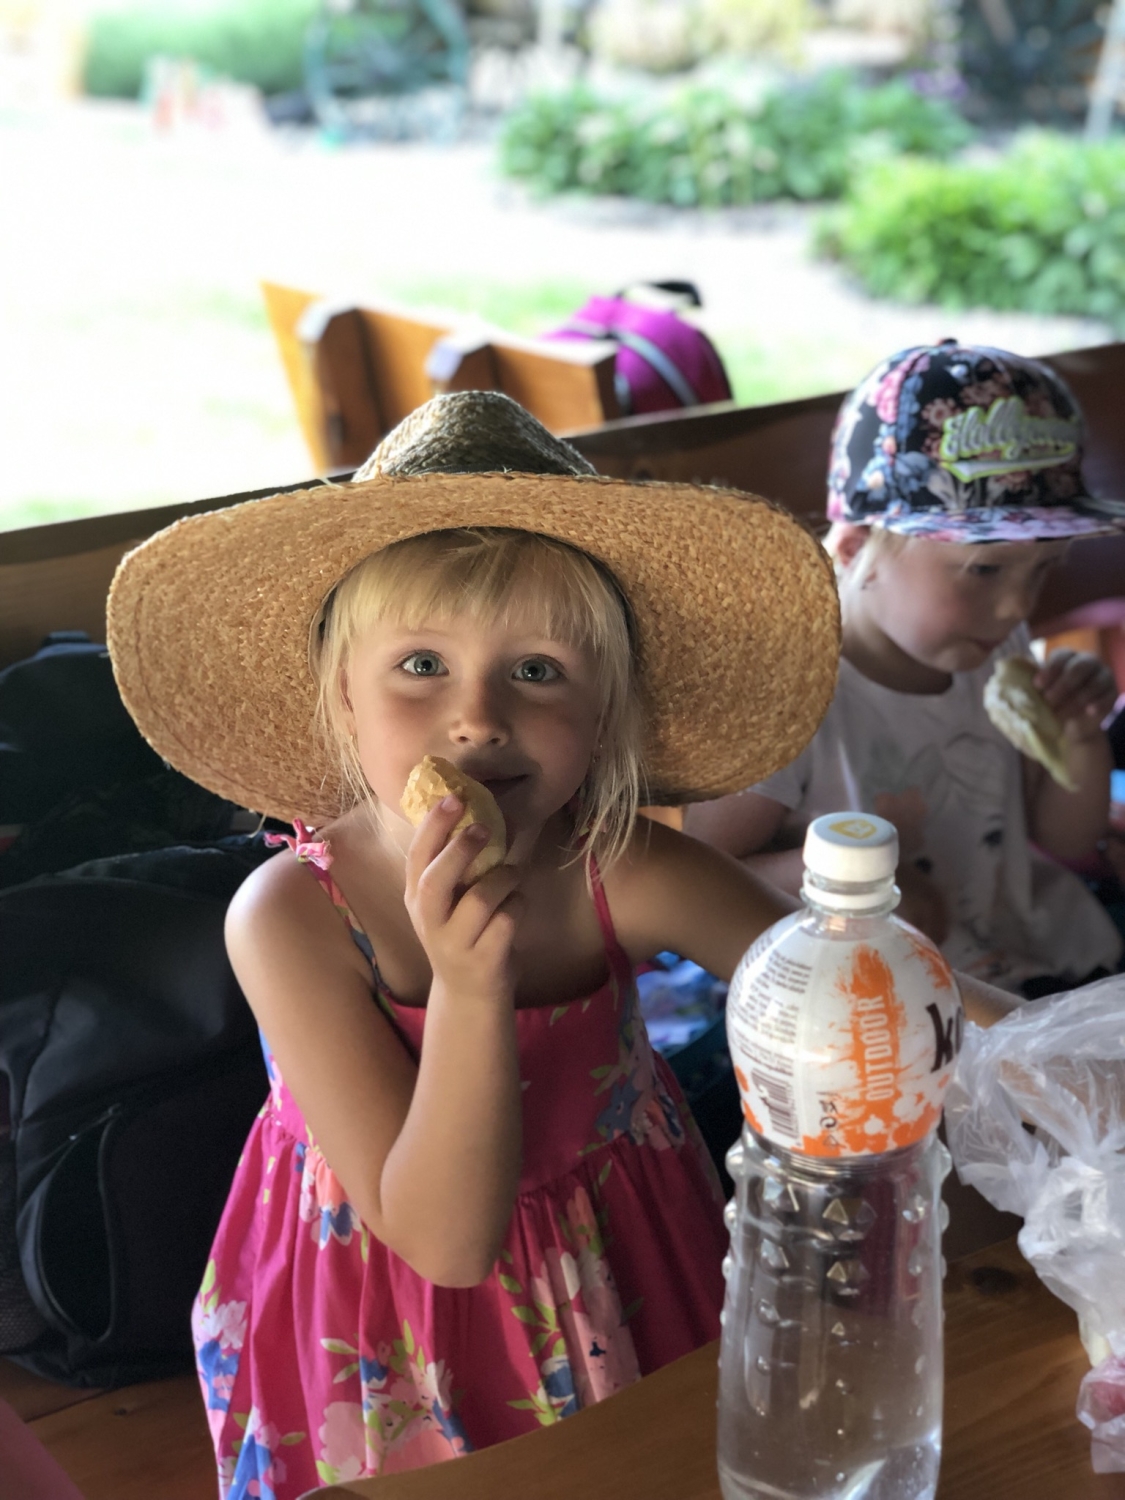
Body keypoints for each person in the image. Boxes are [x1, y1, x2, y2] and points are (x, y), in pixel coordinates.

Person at [107, 391, 1015, 1499]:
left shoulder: (616, 868)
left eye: (536, 671)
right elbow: (444, 1242)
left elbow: (865, 981)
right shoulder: (292, 916)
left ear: (604, 716)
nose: (477, 717)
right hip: (389, 1322)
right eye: (421, 665)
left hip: (625, 1262)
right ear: (341, 697)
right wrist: (469, 985)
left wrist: (1054, 1046)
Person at [687, 341, 1125, 997]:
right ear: (856, 547)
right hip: (875, 1004)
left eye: (1042, 569)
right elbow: (702, 877)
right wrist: (843, 882)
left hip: (1025, 960)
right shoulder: (784, 700)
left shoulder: (992, 648)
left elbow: (1064, 834)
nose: (1017, 607)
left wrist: (1080, 738)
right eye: (984, 568)